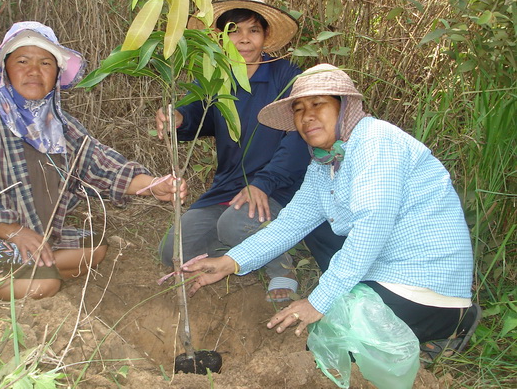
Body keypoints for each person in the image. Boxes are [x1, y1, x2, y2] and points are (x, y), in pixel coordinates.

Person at [184, 63, 481, 358]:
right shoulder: (325, 163)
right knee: (324, 336)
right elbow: (290, 224)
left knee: (329, 349)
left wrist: (318, 301)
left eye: (318, 104)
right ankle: (404, 326)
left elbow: (370, 229)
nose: (306, 116)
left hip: (424, 283)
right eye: (298, 109)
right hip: (386, 270)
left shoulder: (375, 141)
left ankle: (450, 325)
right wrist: (230, 262)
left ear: (345, 107)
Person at [0, 21, 186, 300]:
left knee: (94, 250)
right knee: (44, 287)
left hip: (33, 232)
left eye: (46, 63)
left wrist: (154, 184)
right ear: (5, 69)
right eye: (23, 61)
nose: (34, 71)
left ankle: (25, 270)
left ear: (57, 74)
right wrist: (13, 232)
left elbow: (101, 165)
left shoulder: (59, 123)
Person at [157, 0, 344, 301]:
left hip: (278, 188)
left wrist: (263, 183)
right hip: (227, 188)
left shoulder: (286, 78)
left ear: (265, 35)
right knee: (172, 251)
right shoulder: (216, 77)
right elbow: (196, 114)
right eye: (234, 31)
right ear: (220, 37)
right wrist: (177, 118)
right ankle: (245, 249)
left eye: (253, 30)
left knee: (233, 225)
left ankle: (281, 268)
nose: (244, 39)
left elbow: (300, 139)